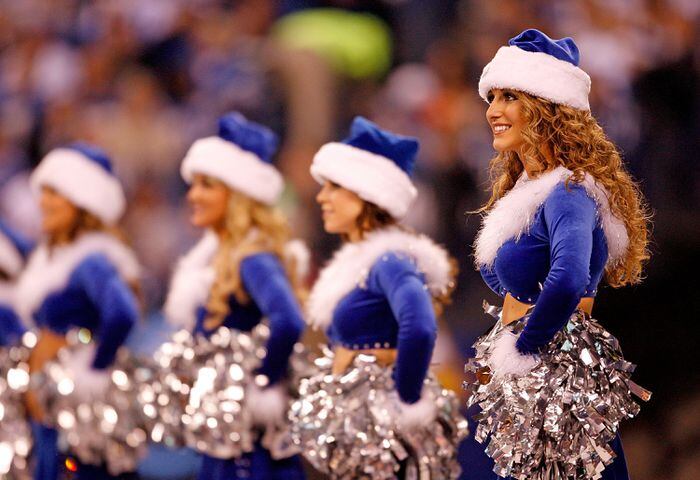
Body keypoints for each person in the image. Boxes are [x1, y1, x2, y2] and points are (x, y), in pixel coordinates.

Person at [465, 29, 652, 480]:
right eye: (492, 97)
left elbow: (568, 279)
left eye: (510, 97)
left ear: (546, 109)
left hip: (554, 376)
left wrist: (524, 347)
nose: (493, 111)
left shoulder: (568, 192)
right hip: (537, 375)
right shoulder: (529, 191)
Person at [291, 116, 467, 479]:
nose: (322, 197)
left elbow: (419, 327)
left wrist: (404, 400)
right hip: (356, 427)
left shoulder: (389, 260)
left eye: (334, 187)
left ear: (366, 194)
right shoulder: (360, 262)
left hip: (380, 435)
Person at [162, 112, 306, 480]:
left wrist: (263, 385)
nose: (192, 195)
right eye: (193, 184)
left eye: (206, 185)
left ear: (238, 196)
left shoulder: (253, 256)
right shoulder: (220, 256)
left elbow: (288, 320)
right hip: (228, 437)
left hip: (249, 447)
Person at [15, 143, 141, 480]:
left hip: (74, 415)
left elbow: (123, 313)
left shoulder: (92, 260)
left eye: (55, 192)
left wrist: (92, 371)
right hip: (50, 408)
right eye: (43, 192)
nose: (43, 202)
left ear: (84, 201)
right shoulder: (54, 257)